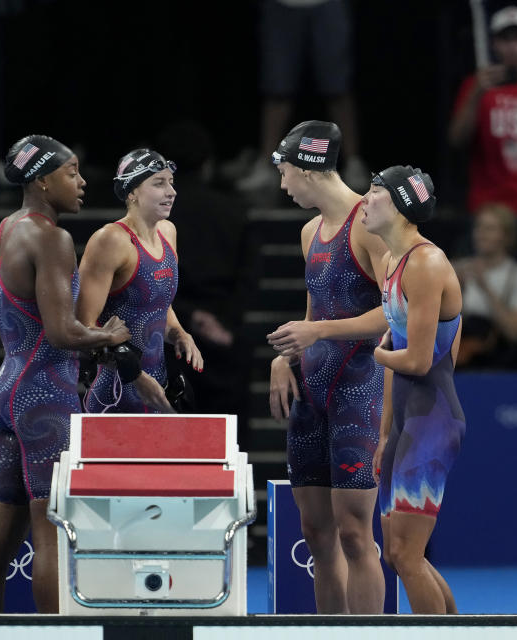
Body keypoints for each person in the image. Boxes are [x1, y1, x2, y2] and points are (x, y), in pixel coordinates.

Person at [0, 135, 130, 612]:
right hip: (45, 397)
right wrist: (109, 336)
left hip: (5, 389)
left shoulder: (2, 234)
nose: (82, 183)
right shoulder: (51, 236)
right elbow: (62, 334)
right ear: (42, 179)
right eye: (72, 173)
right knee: (52, 535)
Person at [265, 120, 388, 614]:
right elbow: (315, 310)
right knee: (316, 533)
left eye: (284, 173)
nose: (281, 185)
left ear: (304, 170)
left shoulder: (371, 222)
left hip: (359, 388)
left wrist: (316, 334)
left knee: (356, 534)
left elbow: (393, 312)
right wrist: (286, 355)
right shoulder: (309, 231)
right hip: (312, 393)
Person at [361, 165, 464, 614]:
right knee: (399, 555)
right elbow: (398, 350)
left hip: (432, 419)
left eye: (374, 191)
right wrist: (385, 433)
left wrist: (373, 353)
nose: (364, 199)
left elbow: (419, 361)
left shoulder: (426, 263)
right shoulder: (391, 260)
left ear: (401, 205)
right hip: (407, 419)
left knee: (405, 555)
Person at [76, 148, 202, 413]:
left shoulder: (168, 232)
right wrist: (134, 373)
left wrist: (178, 331)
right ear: (131, 192)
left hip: (156, 387)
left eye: (171, 182)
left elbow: (157, 303)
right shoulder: (110, 240)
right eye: (159, 183)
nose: (171, 191)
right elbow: (82, 326)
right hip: (114, 392)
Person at [155, 121, 254, 424]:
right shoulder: (234, 211)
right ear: (207, 164)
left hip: (169, 340)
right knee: (228, 441)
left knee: (170, 440)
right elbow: (249, 278)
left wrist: (191, 316)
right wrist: (222, 324)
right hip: (223, 339)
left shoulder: (157, 215)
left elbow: (150, 279)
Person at [447, 5, 517, 269]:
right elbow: (456, 139)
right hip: (490, 207)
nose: (512, 47)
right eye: (505, 39)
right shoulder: (476, 87)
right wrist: (476, 93)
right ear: (494, 44)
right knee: (488, 284)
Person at [236, 0, 369, 194]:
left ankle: (354, 162)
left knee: (338, 88)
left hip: (329, 4)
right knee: (277, 89)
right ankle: (266, 164)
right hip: (281, 5)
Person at [453, 202, 517, 369]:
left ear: (507, 236)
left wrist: (485, 287)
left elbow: (515, 332)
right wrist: (457, 289)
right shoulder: (455, 269)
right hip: (465, 362)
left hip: (509, 365)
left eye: (490, 229)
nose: (481, 234)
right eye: (478, 227)